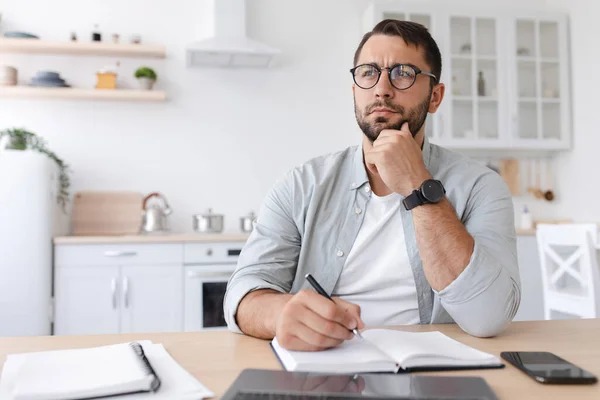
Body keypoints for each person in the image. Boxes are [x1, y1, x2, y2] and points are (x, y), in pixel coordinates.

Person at [224, 19, 521, 351]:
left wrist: (418, 185)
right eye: (368, 73)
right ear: (355, 91)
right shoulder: (301, 185)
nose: (382, 88)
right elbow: (244, 294)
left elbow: (488, 316)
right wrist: (281, 314)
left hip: (433, 371)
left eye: (403, 73)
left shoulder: (481, 187)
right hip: (323, 365)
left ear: (435, 97)